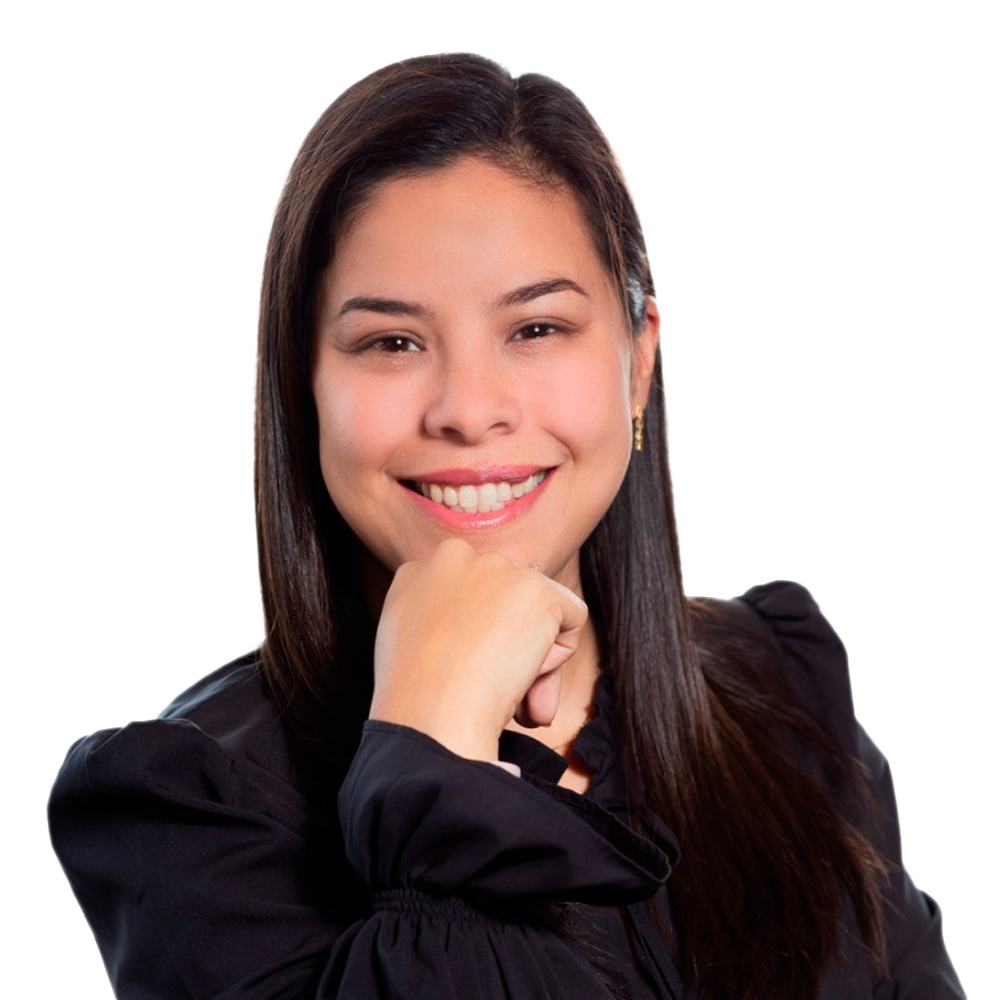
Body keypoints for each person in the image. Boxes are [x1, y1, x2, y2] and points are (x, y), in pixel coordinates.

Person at [48, 53, 964, 1000]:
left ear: (638, 361)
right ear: (303, 387)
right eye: (391, 343)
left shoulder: (786, 693)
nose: (469, 409)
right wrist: (434, 753)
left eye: (536, 329)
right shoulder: (190, 811)